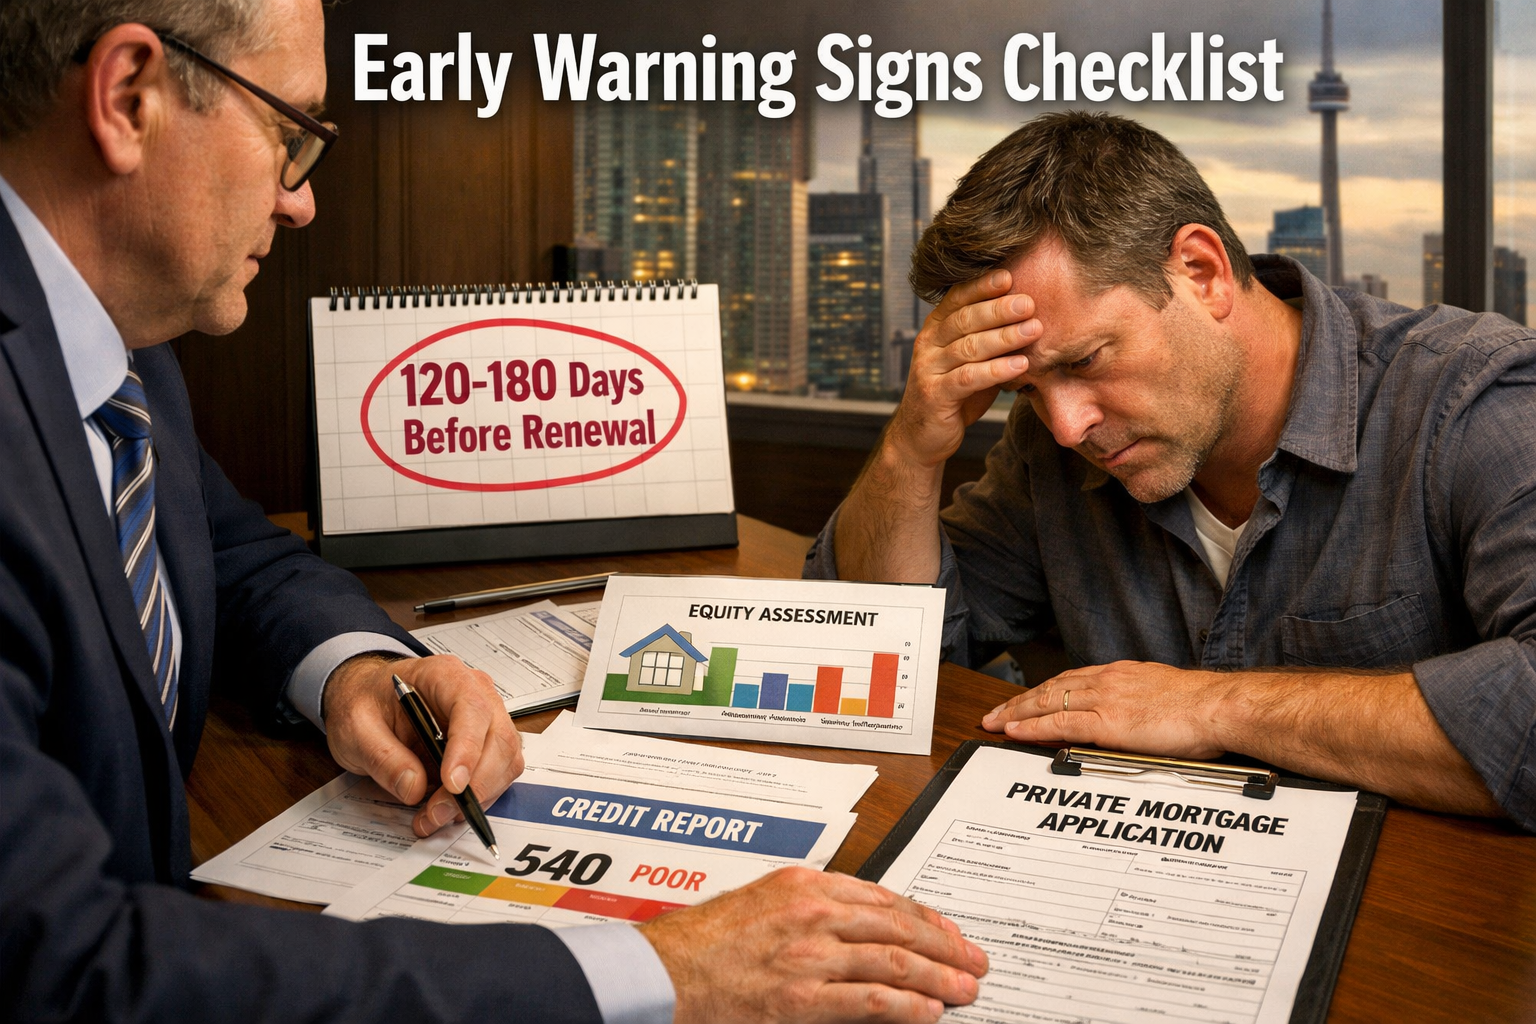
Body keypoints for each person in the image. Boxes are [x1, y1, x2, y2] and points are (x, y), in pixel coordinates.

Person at [0, 1, 988, 1021]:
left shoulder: (120, 343)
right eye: (290, 133)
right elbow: (64, 961)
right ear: (129, 98)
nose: (301, 204)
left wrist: (358, 670)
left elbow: (232, 550)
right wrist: (662, 972)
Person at [808, 111, 1536, 832]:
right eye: (1025, 389)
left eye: (1086, 360)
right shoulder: (1050, 447)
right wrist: (911, 447)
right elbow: (882, 658)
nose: (1067, 427)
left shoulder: (1474, 402)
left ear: (1201, 272)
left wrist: (1210, 706)